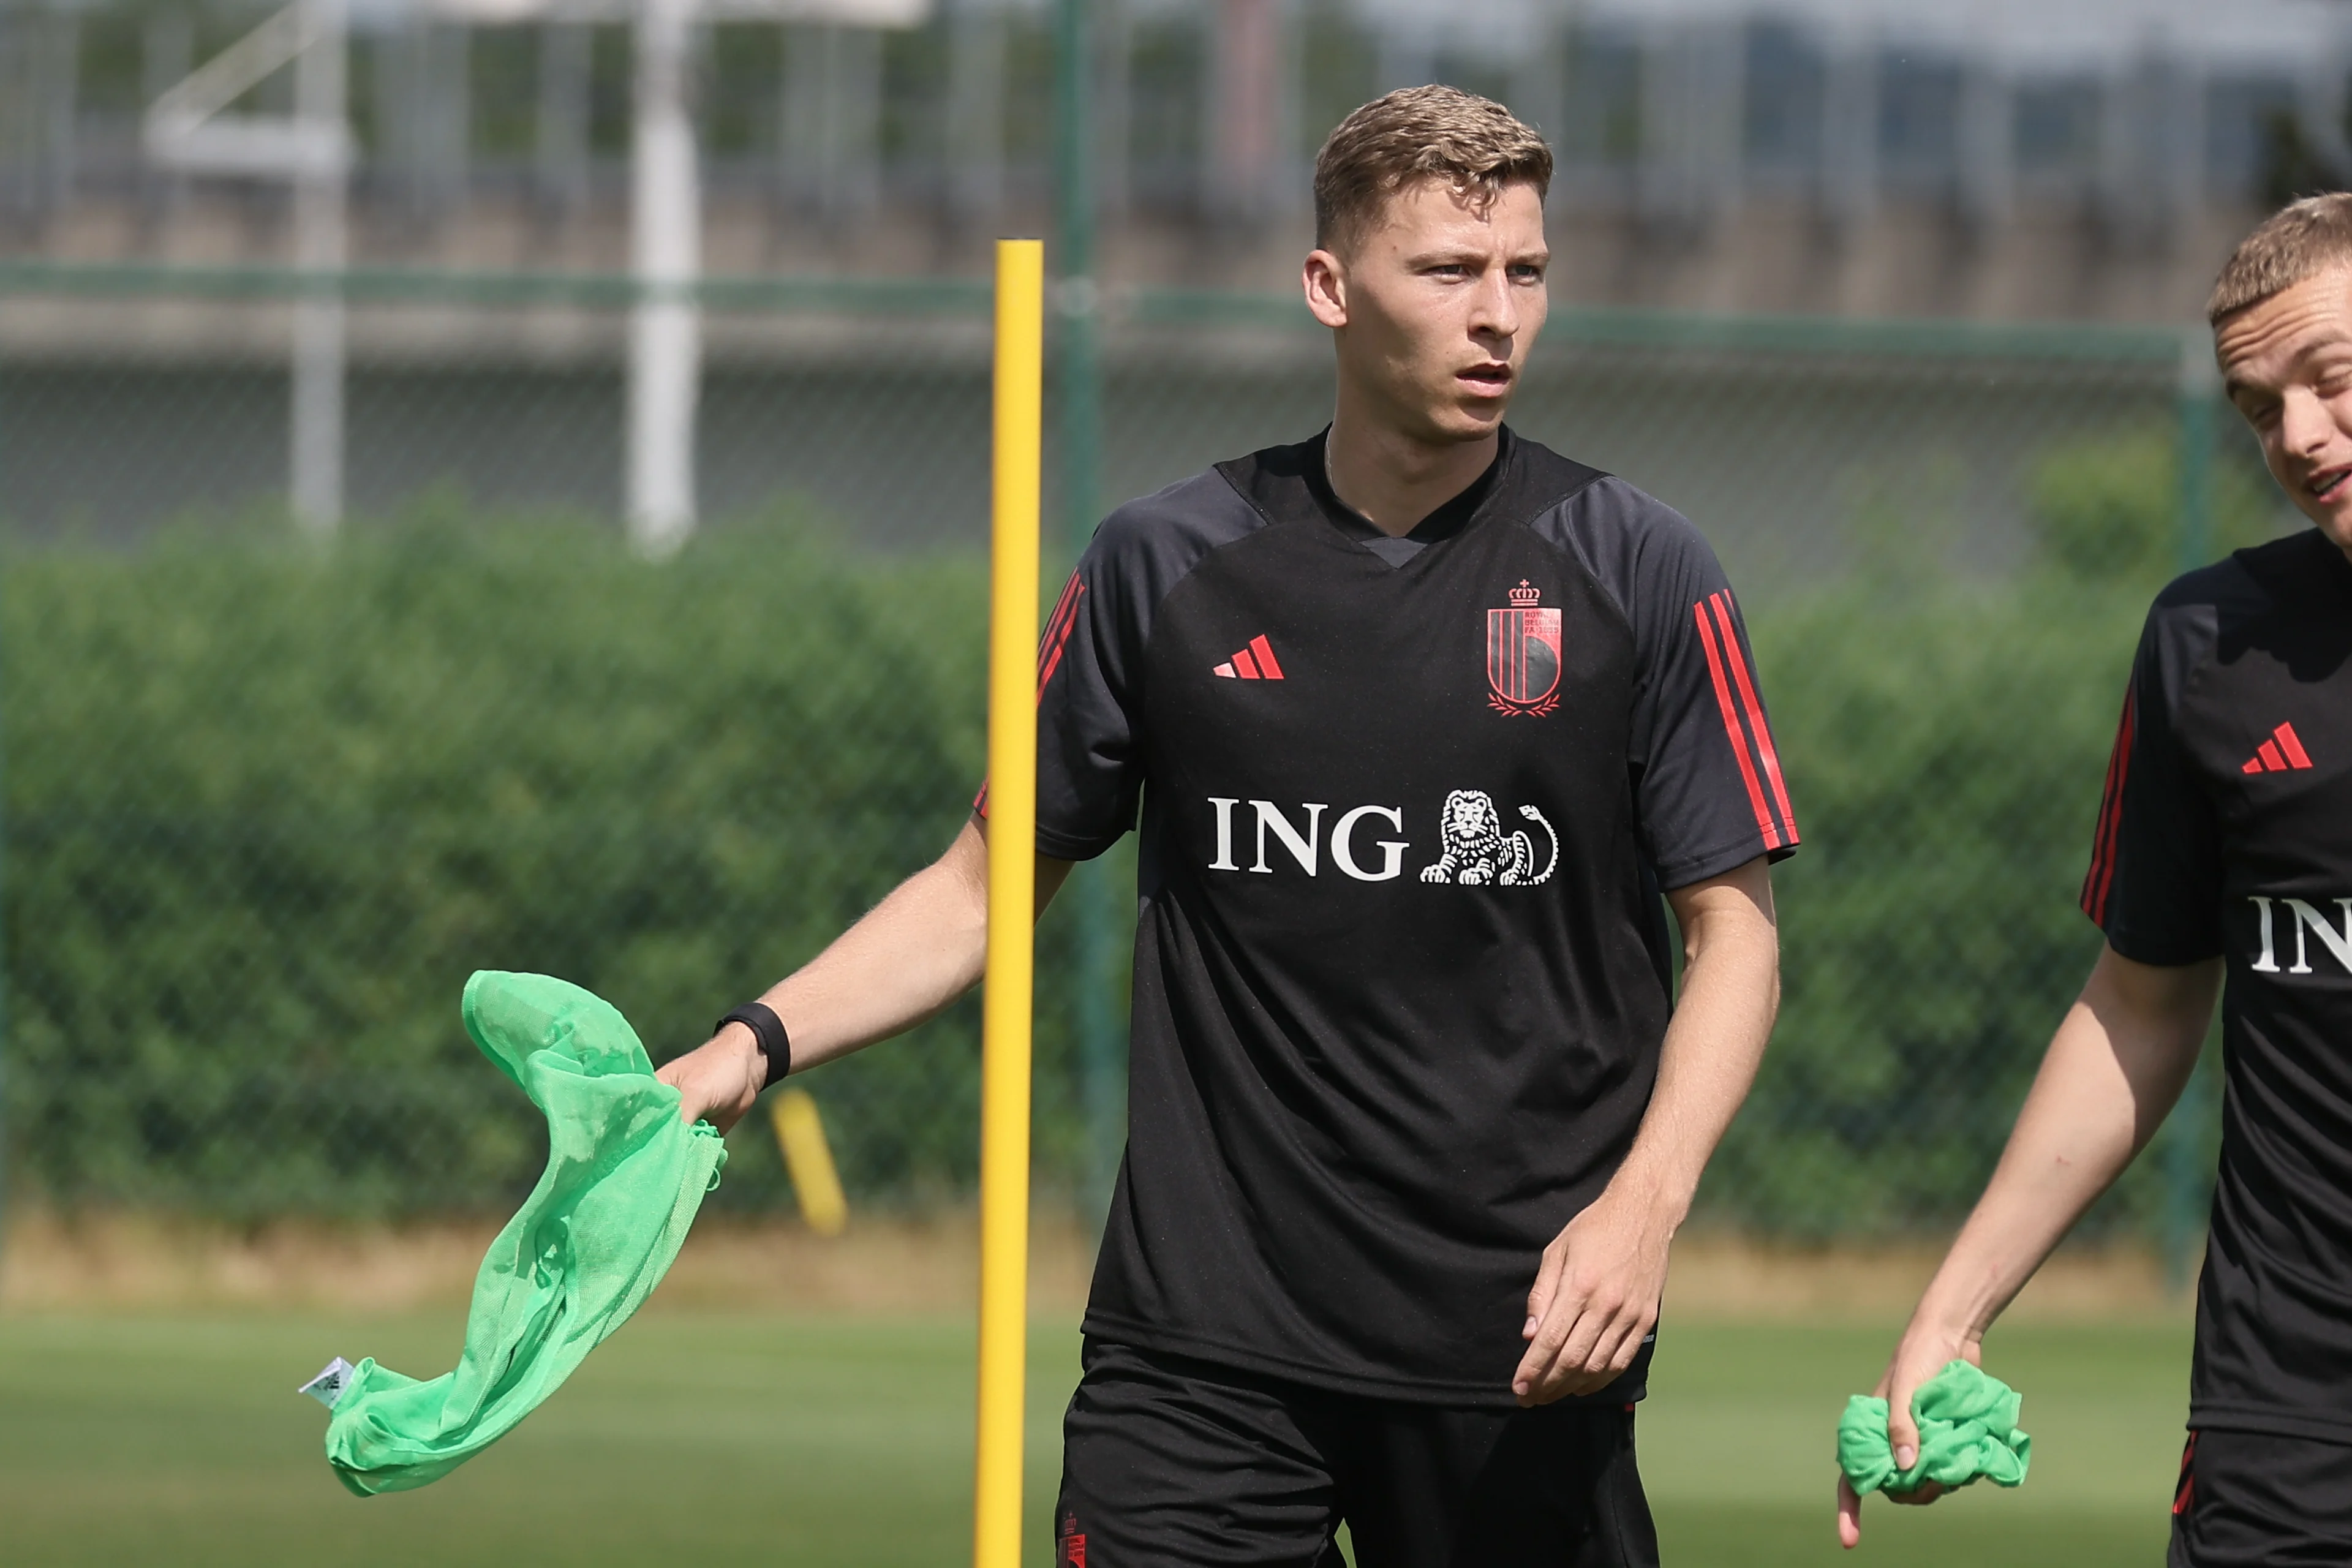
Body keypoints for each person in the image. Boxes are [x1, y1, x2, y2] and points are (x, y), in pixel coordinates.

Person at [663, 85, 1791, 1567]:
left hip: (1517, 1339)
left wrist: (1644, 1210)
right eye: (1448, 272)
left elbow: (1737, 938)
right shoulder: (1165, 563)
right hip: (1201, 1343)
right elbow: (982, 889)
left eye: (1524, 270)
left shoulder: (1637, 567)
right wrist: (749, 1043)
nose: (1497, 314)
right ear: (1331, 287)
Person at [1836, 192, 2352, 1566]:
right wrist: (1954, 1305)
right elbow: (2139, 1004)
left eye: (2332, 380)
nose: (2297, 436)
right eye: (2258, 407)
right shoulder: (2211, 643)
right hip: (2291, 1408)